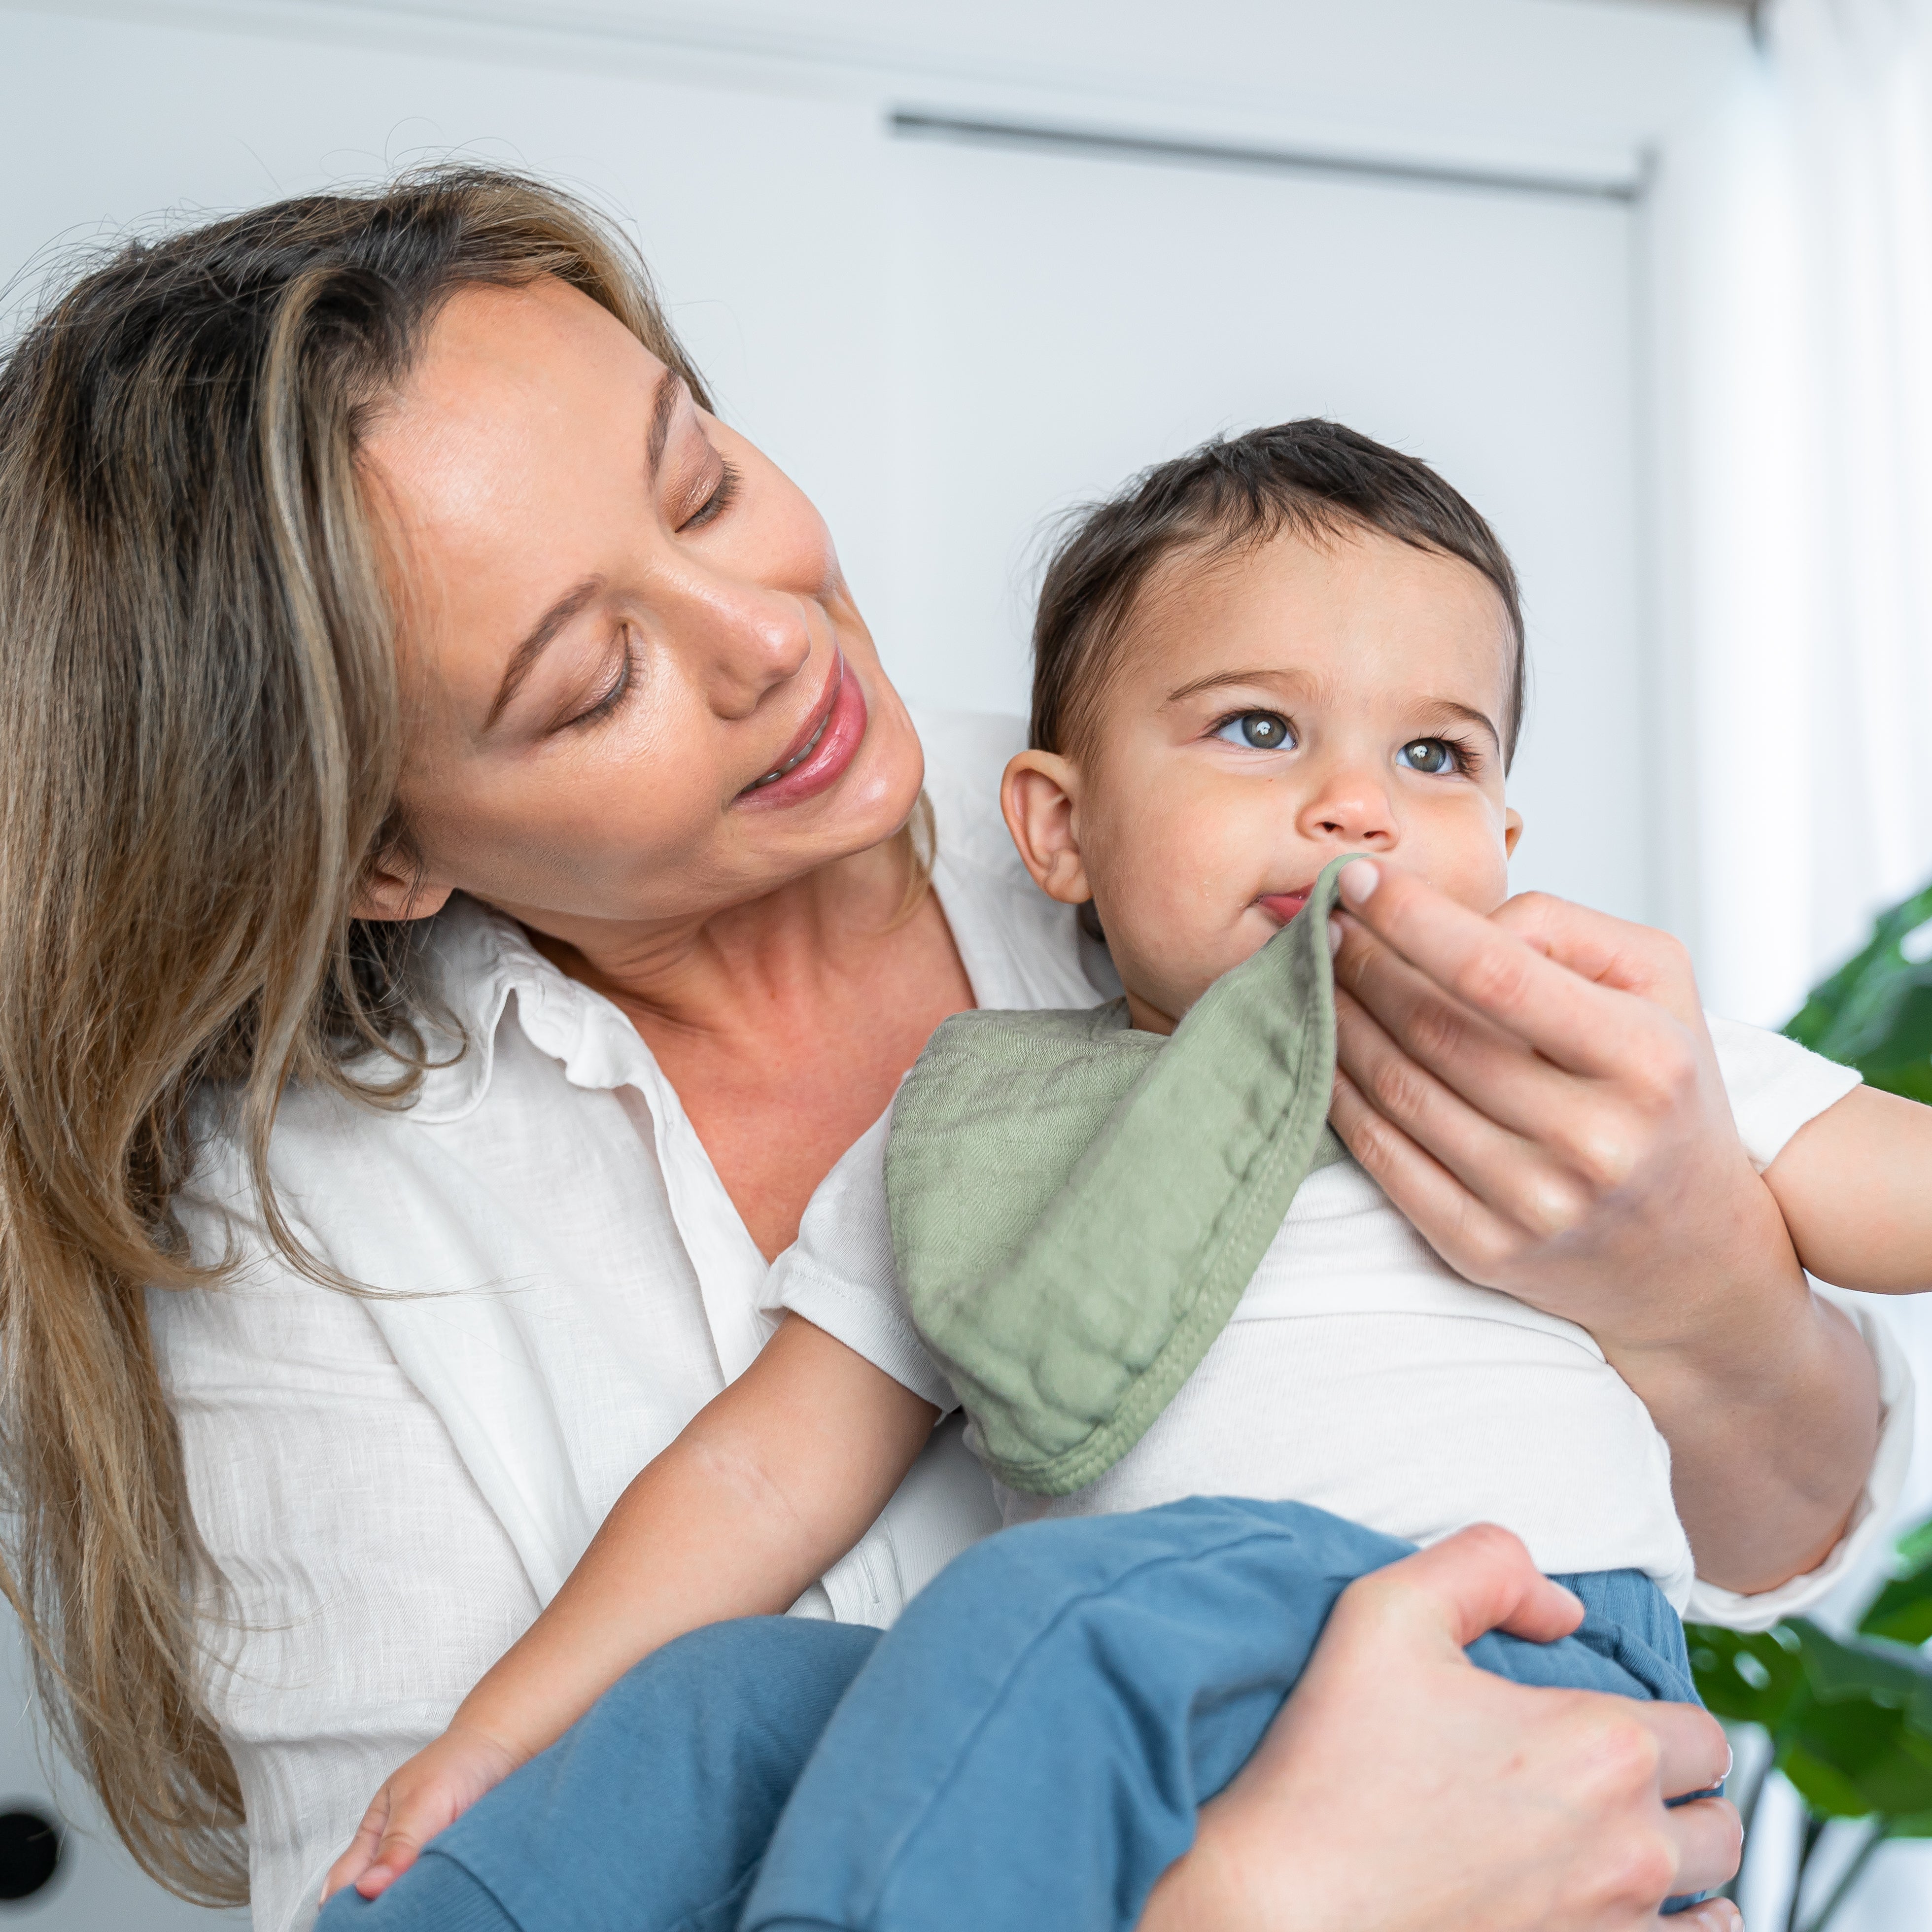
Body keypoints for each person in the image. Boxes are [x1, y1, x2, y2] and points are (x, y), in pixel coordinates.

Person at [0, 167, 1895, 1932]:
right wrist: (488, 1755)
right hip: (1207, 1709)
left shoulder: (1430, 957)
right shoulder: (956, 1115)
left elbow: (1801, 1433)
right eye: (593, 679)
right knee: (710, 1708)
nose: (767, 639)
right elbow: (760, 1485)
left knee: (1030, 1616)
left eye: (701, 487)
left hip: (1487, 1653)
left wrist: (1697, 1283)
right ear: (379, 852)